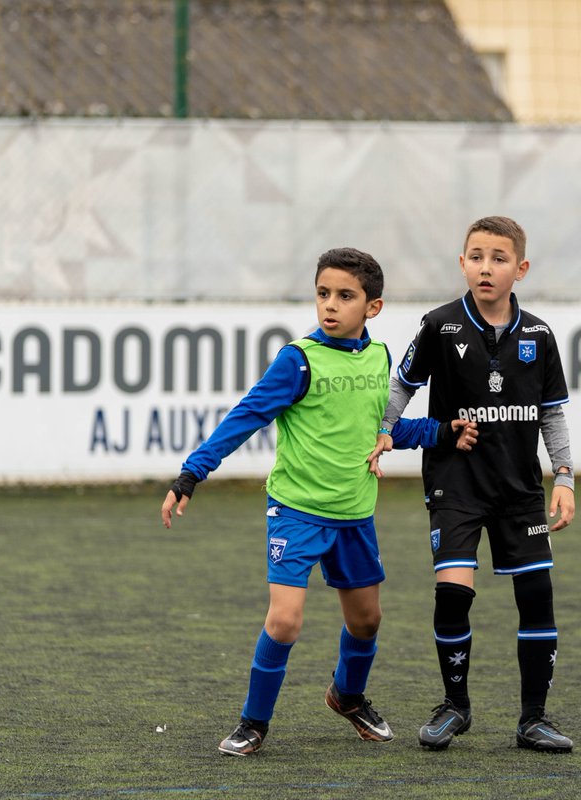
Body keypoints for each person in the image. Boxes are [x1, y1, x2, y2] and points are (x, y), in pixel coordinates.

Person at [161, 247, 477, 756]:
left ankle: (347, 696)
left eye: (345, 296)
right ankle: (253, 723)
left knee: (367, 621)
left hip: (354, 515)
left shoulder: (379, 357)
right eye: (323, 293)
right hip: (297, 512)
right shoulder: (298, 359)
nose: (330, 304)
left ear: (372, 307)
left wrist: (441, 431)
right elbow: (247, 415)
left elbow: (382, 429)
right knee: (284, 621)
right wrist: (192, 473)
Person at [368, 216, 577, 753]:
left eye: (499, 258)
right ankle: (455, 706)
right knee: (453, 592)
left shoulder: (539, 335)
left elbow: (552, 413)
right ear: (462, 264)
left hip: (519, 490)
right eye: (477, 257)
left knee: (537, 595)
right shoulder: (440, 325)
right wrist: (386, 430)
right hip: (455, 482)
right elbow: (402, 385)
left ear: (520, 269)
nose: (486, 268)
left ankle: (533, 719)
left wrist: (565, 477)